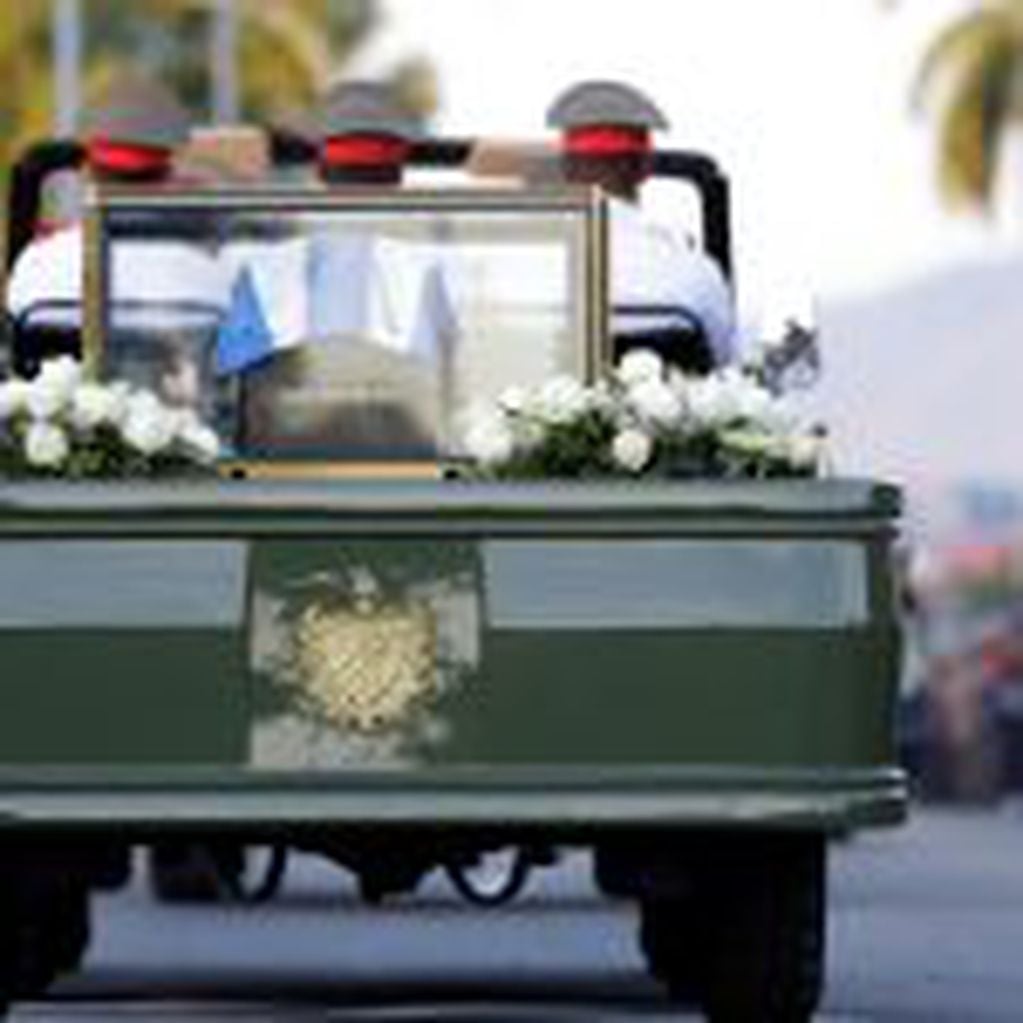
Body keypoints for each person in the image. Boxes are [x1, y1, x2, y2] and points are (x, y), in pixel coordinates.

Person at [5, 72, 227, 409]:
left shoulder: (36, 263)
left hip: (58, 451)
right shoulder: (207, 275)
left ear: (88, 173)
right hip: (177, 449)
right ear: (167, 177)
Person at [546, 79, 737, 373]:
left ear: (566, 169)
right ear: (645, 167)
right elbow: (722, 365)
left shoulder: (531, 269)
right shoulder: (696, 271)